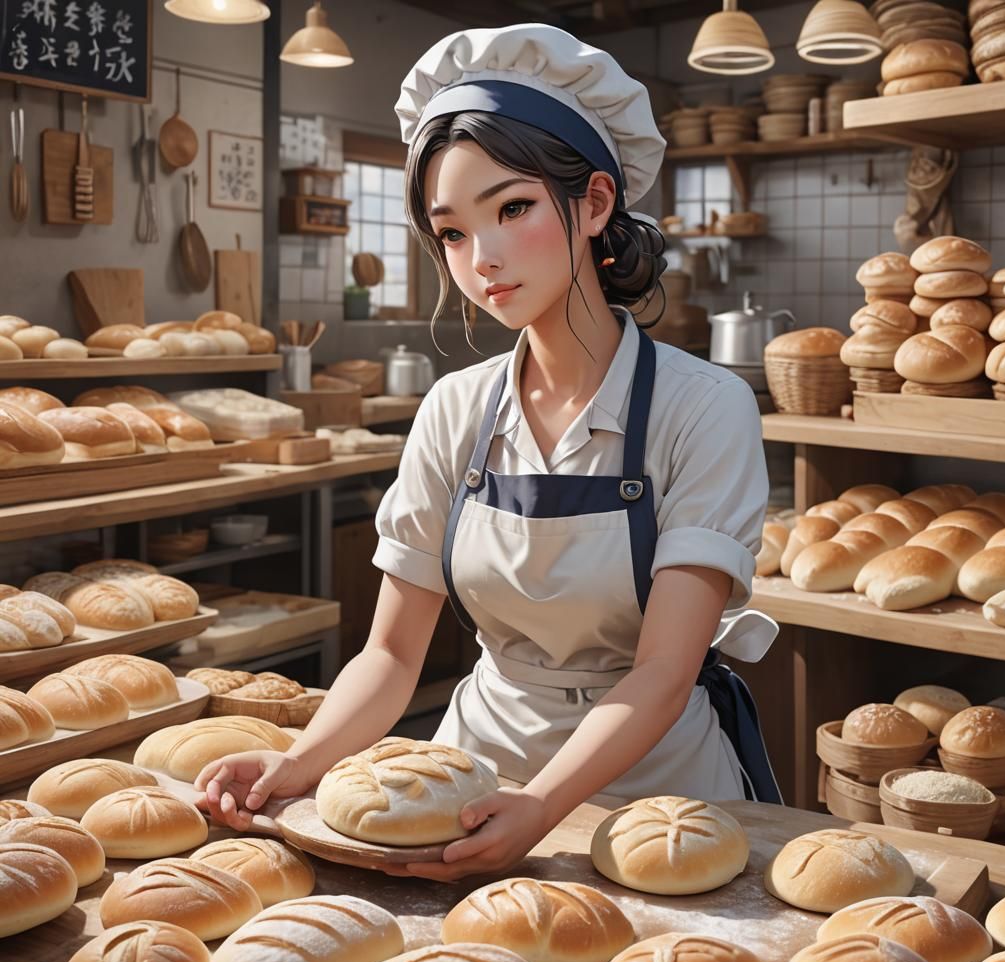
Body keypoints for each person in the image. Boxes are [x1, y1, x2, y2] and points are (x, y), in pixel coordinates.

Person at [196, 23, 782, 882]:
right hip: (468, 779)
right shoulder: (455, 408)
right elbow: (393, 655)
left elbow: (665, 671)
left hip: (659, 800)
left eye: (512, 210)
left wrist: (544, 806)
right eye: (453, 233)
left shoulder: (703, 407)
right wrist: (299, 761)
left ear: (594, 204)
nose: (484, 261)